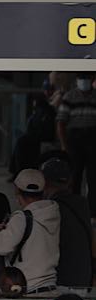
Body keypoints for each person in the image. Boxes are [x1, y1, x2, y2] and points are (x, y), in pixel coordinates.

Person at [0, 169, 61, 294]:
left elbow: (2, 246)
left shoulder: (22, 218)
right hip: (50, 287)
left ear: (16, 190)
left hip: (28, 287)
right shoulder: (53, 212)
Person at [42, 157, 93, 288]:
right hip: (83, 277)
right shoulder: (82, 204)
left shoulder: (49, 209)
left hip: (61, 279)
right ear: (69, 181)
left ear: (44, 182)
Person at [56, 73, 96, 215]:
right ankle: (75, 210)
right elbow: (61, 123)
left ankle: (93, 212)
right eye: (82, 79)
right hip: (75, 140)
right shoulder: (69, 97)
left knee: (93, 178)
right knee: (75, 177)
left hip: (93, 139)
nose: (84, 81)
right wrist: (64, 145)